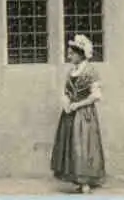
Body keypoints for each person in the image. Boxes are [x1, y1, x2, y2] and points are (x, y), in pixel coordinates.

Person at [50, 35, 105, 194]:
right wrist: (66, 102)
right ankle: (78, 180)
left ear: (80, 54)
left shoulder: (90, 71)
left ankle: (85, 182)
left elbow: (96, 96)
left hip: (84, 114)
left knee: (83, 146)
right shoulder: (71, 71)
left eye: (71, 53)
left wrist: (78, 105)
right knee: (71, 146)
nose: (69, 56)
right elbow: (66, 91)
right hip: (70, 113)